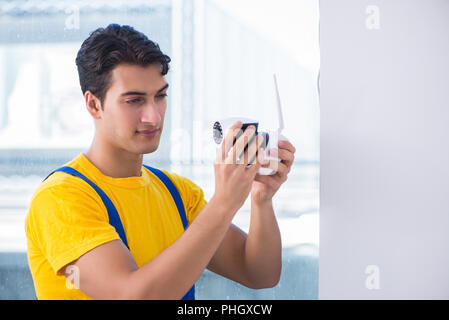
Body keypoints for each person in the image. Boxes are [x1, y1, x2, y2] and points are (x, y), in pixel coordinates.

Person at [25, 24, 296, 300]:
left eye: (160, 96)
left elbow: (259, 273)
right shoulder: (60, 199)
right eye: (134, 101)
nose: (153, 116)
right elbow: (132, 296)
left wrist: (261, 200)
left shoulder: (176, 192)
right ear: (94, 105)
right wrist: (224, 202)